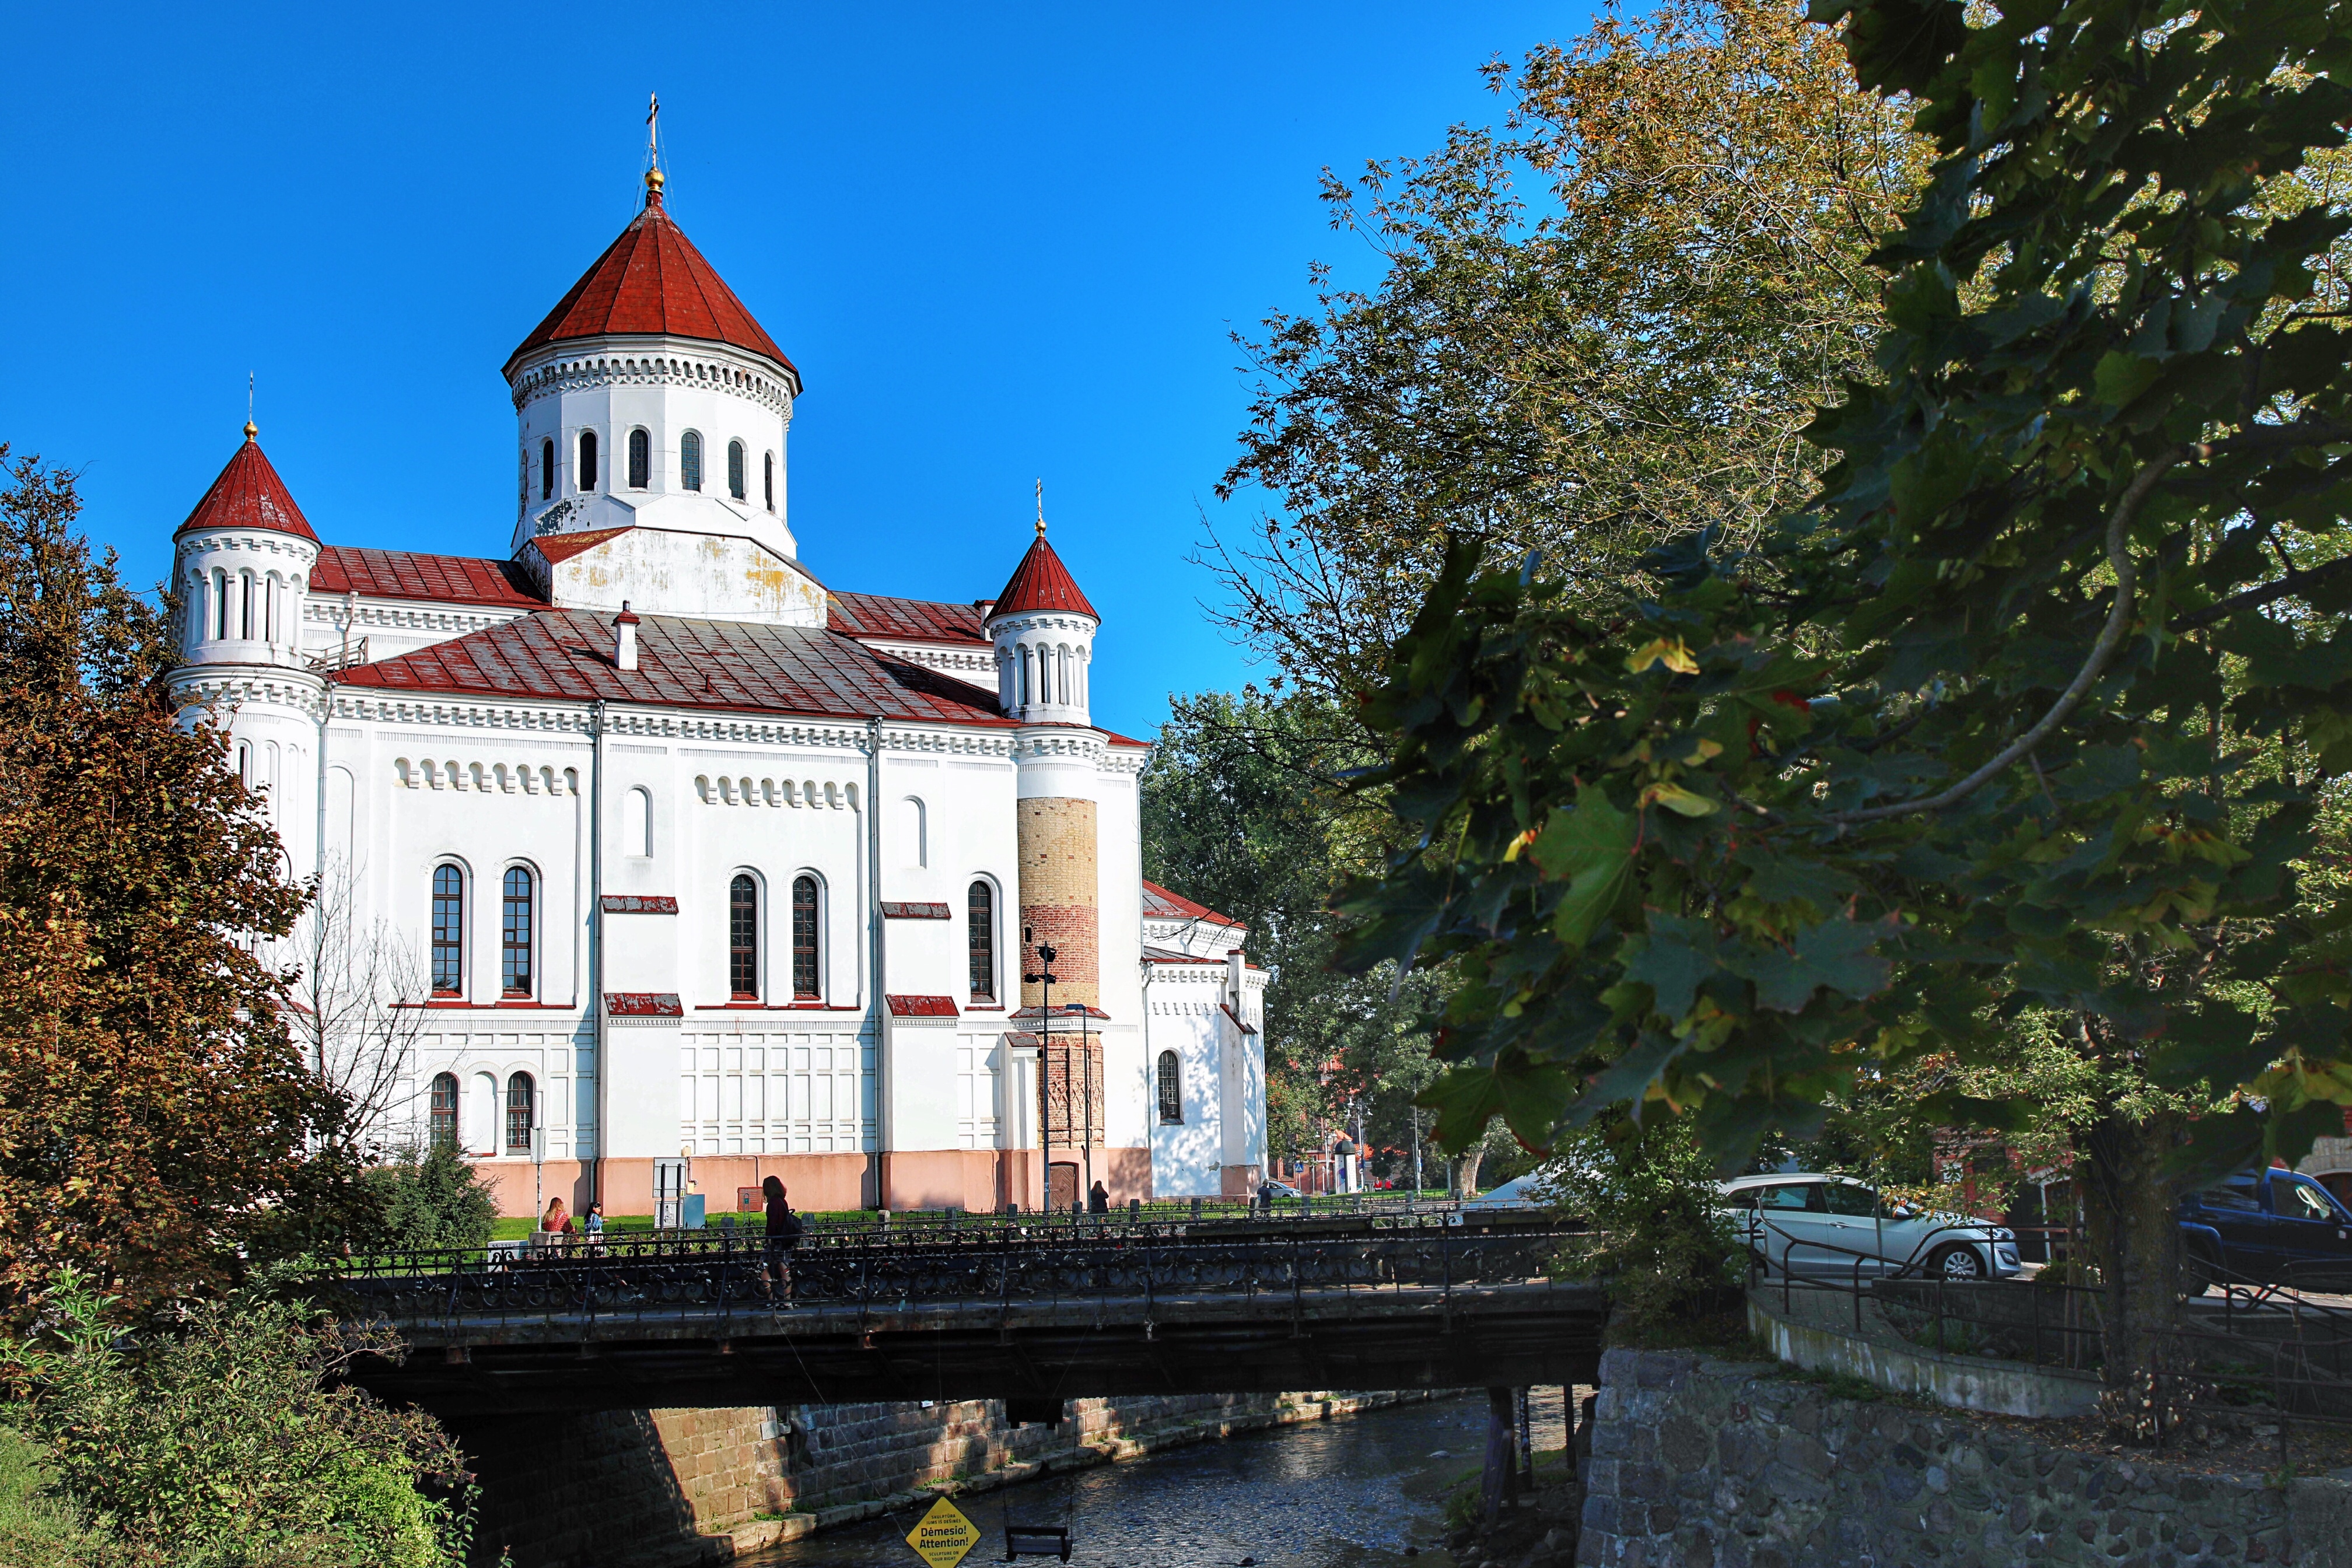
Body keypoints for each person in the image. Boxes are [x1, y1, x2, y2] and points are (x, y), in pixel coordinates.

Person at [761, 1175, 802, 1301]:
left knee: (761, 1269)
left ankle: (772, 1299)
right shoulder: (782, 1201)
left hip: (776, 1242)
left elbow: (773, 1224)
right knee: (785, 1271)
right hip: (785, 1240)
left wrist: (768, 1238)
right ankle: (787, 1301)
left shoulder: (773, 1203)